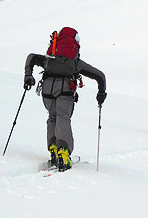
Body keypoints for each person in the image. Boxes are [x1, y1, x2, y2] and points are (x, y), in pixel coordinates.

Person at [23, 27, 106, 171]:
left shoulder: (50, 58)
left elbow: (31, 57)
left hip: (47, 90)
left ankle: (54, 149)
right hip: (65, 90)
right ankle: (64, 153)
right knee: (63, 117)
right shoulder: (75, 62)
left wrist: (28, 76)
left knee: (52, 117)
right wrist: (101, 93)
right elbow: (100, 76)